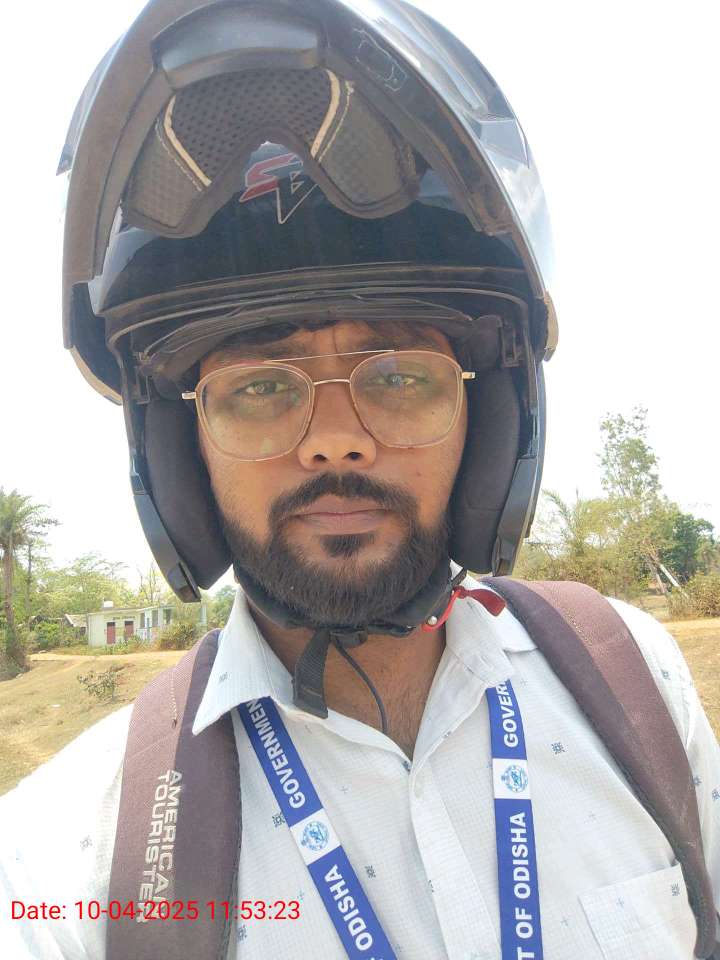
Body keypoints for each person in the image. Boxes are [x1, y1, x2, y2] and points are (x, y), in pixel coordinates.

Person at [1, 1, 719, 958]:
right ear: (180, 446)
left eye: (400, 377)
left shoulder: (634, 685)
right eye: (260, 387)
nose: (335, 442)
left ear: (489, 420)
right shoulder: (67, 865)